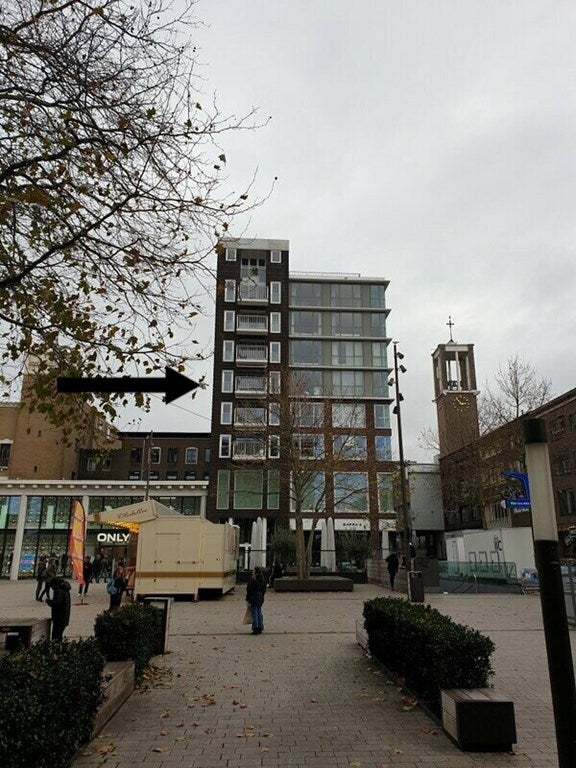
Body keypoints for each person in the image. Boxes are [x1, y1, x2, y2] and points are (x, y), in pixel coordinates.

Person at [46, 577, 71, 641]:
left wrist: (49, 602)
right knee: (59, 635)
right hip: (64, 616)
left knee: (56, 636)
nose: (52, 588)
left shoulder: (59, 591)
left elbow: (57, 604)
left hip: (59, 617)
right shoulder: (65, 589)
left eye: (52, 586)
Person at [246, 565, 267, 634]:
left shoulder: (253, 579)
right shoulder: (263, 579)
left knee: (254, 612)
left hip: (254, 596)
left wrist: (248, 598)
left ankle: (256, 627)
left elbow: (249, 590)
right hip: (260, 596)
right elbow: (264, 589)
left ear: (255, 571)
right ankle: (260, 626)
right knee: (259, 611)